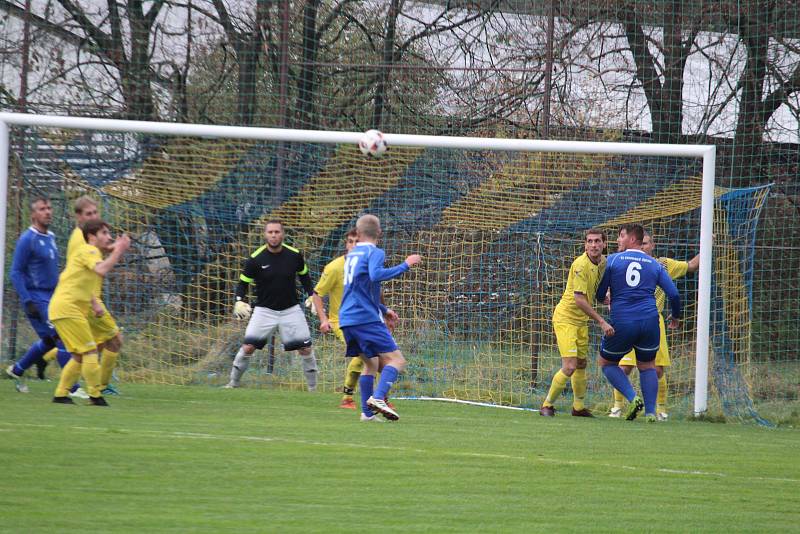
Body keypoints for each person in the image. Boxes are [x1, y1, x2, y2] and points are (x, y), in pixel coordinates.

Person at [226, 220, 327, 391]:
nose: (274, 235)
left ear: (283, 234)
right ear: (265, 235)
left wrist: (312, 295)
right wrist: (238, 300)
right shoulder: (255, 259)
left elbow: (305, 279)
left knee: (305, 348)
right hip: (264, 310)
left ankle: (313, 390)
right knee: (248, 346)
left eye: (277, 232)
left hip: (291, 310)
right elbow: (243, 283)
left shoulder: (294, 255)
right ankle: (232, 384)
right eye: (270, 232)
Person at [594, 223, 681, 422]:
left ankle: (633, 399)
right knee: (647, 365)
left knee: (606, 362)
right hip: (650, 322)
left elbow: (600, 293)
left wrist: (605, 298)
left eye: (622, 236)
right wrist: (675, 316)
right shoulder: (654, 264)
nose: (618, 240)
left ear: (632, 239)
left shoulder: (613, 260)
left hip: (623, 321)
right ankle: (651, 413)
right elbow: (674, 294)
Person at [338, 214, 421, 422]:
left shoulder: (351, 254)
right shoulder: (375, 252)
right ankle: (378, 398)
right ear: (379, 233)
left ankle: (367, 414)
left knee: (371, 364)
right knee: (397, 360)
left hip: (347, 319)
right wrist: (405, 265)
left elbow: (359, 289)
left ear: (357, 234)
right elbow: (375, 275)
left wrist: (383, 309)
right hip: (365, 319)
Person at [609, 231, 699, 420]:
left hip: (653, 322)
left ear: (653, 245)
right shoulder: (623, 262)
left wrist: (708, 245)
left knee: (656, 369)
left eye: (647, 244)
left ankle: (660, 409)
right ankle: (617, 406)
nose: (643, 247)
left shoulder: (663, 264)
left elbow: (691, 266)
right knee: (623, 367)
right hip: (627, 319)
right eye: (641, 244)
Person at [6, 197, 88, 399]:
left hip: (54, 296)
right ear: (33, 214)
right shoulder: (28, 239)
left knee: (50, 340)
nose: (48, 212)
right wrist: (27, 300)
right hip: (37, 298)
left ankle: (17, 369)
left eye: (49, 208)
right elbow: (15, 272)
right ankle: (73, 387)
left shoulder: (50, 236)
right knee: (62, 336)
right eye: (42, 209)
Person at [310, 229, 399, 409]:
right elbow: (317, 293)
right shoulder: (335, 267)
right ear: (346, 244)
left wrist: (384, 311)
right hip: (341, 321)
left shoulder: (366, 263)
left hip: (368, 319)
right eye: (350, 242)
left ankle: (375, 402)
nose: (353, 246)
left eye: (356, 242)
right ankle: (349, 396)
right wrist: (323, 319)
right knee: (368, 358)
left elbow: (374, 293)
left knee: (381, 361)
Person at [50, 219, 130, 405]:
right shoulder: (89, 250)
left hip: (63, 307)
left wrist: (115, 248)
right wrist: (118, 249)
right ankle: (96, 396)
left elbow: (86, 276)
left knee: (79, 354)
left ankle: (60, 394)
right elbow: (101, 269)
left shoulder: (87, 251)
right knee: (90, 350)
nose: (108, 236)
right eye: (104, 233)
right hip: (68, 307)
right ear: (92, 237)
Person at [540, 228, 611, 417]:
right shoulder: (580, 265)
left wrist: (604, 296)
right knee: (570, 365)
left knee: (581, 364)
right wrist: (602, 321)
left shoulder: (604, 262)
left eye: (597, 241)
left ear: (604, 244)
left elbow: (595, 289)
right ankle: (547, 405)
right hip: (566, 319)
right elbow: (579, 299)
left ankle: (578, 408)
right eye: (590, 241)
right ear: (585, 245)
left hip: (581, 321)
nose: (593, 245)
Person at [68, 196, 124, 395]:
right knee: (115, 340)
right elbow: (91, 269)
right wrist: (94, 302)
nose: (93, 216)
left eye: (95, 212)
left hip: (86, 298)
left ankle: (66, 387)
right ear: (78, 217)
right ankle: (101, 386)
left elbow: (102, 248)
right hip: (89, 299)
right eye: (88, 214)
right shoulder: (79, 239)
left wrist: (115, 246)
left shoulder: (88, 236)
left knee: (91, 349)